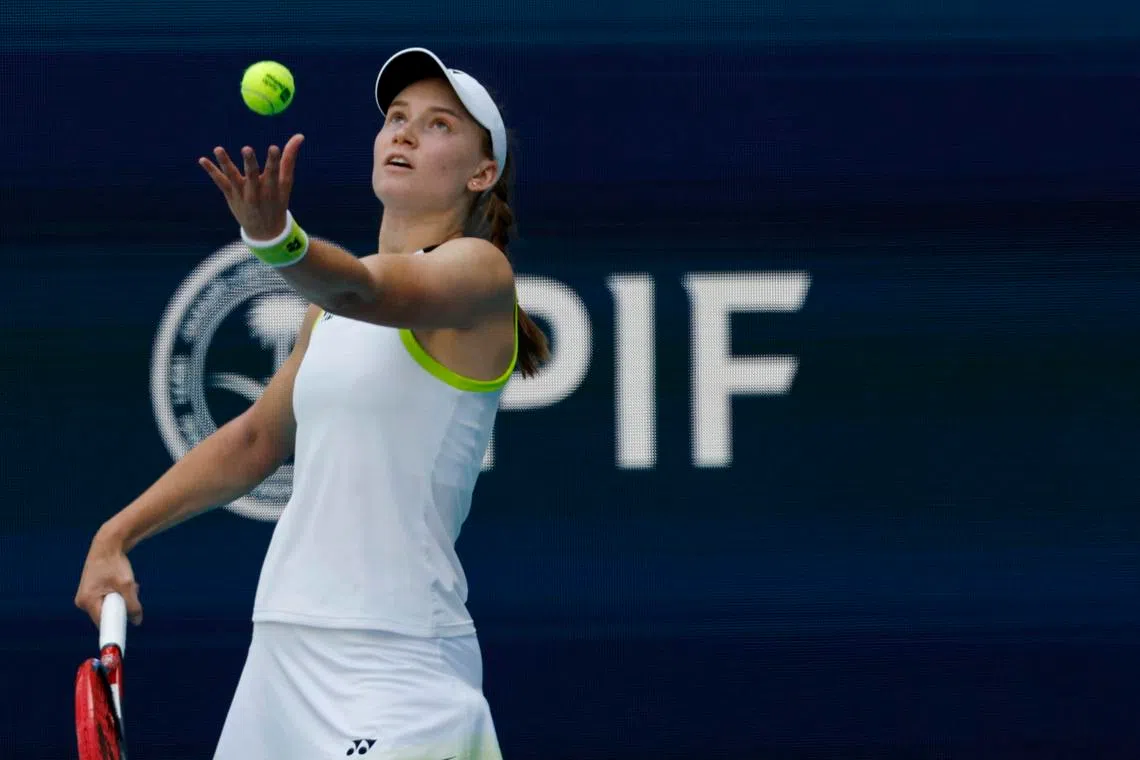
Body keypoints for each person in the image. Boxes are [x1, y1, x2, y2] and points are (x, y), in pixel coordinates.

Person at [74, 46, 548, 759]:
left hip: (399, 662)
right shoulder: (321, 318)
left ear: (482, 174)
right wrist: (116, 534)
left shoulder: (481, 274)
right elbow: (255, 440)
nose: (406, 133)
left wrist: (274, 238)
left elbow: (364, 287)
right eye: (396, 117)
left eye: (440, 124)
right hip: (283, 655)